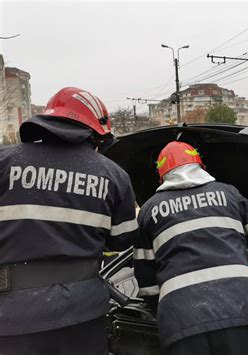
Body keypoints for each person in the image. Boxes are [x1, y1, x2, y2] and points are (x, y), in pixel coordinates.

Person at [0, 87, 138, 354]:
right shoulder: (113, 175)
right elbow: (122, 239)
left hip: (12, 316)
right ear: (95, 134)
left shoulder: (5, 163)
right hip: (83, 316)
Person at [133, 141, 248, 355]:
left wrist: (165, 308)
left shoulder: (148, 211)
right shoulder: (230, 195)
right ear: (200, 165)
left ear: (162, 175)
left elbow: (146, 282)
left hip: (181, 322)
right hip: (240, 309)